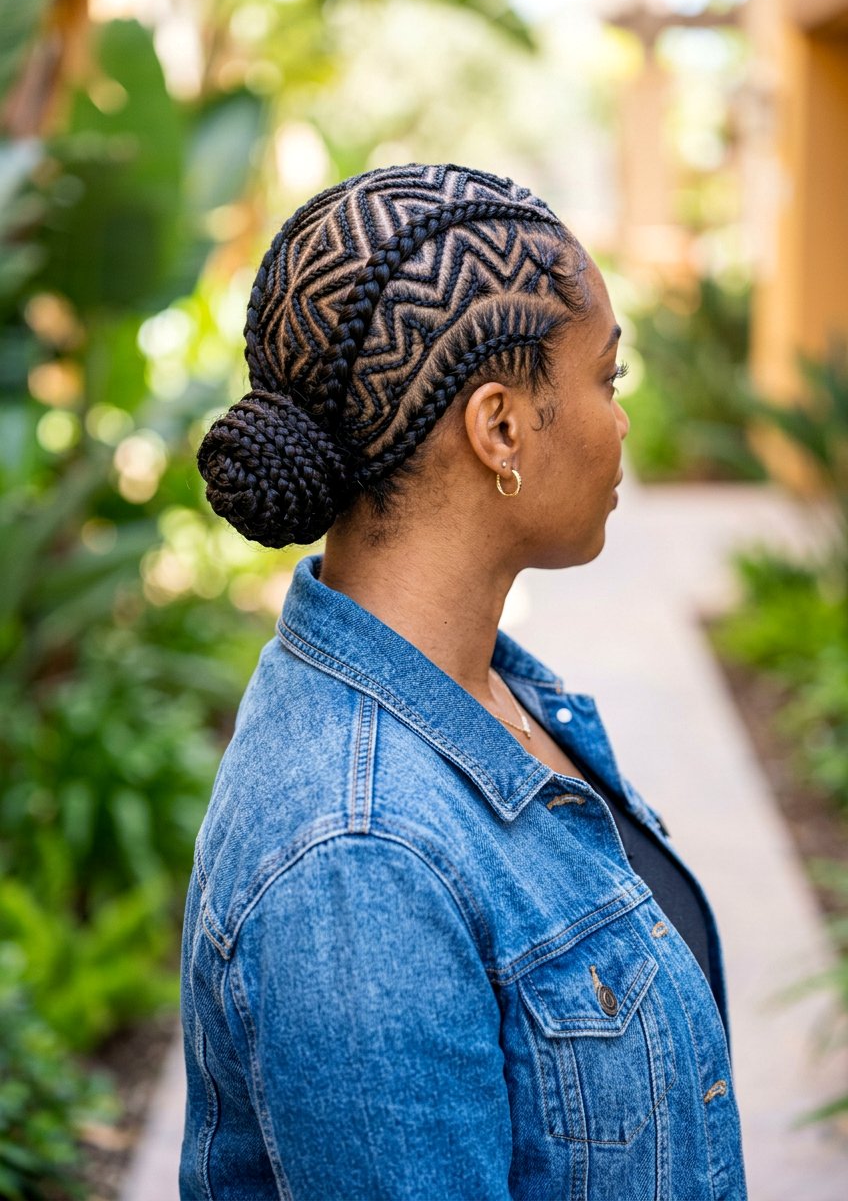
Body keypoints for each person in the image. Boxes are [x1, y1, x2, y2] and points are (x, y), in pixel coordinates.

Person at [179, 163, 747, 1200]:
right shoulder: (358, 856)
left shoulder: (494, 695)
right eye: (604, 380)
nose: (619, 421)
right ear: (499, 428)